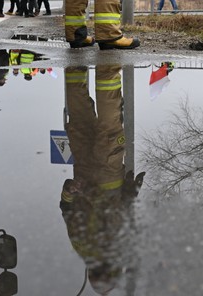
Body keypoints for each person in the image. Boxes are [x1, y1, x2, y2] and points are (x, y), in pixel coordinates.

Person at [60, 65, 144, 294]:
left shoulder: (102, 248)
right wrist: (76, 190)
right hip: (99, 170)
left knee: (90, 117)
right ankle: (95, 60)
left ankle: (91, 62)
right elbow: (107, 211)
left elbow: (67, 209)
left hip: (95, 169)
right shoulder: (104, 249)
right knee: (93, 118)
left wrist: (70, 190)